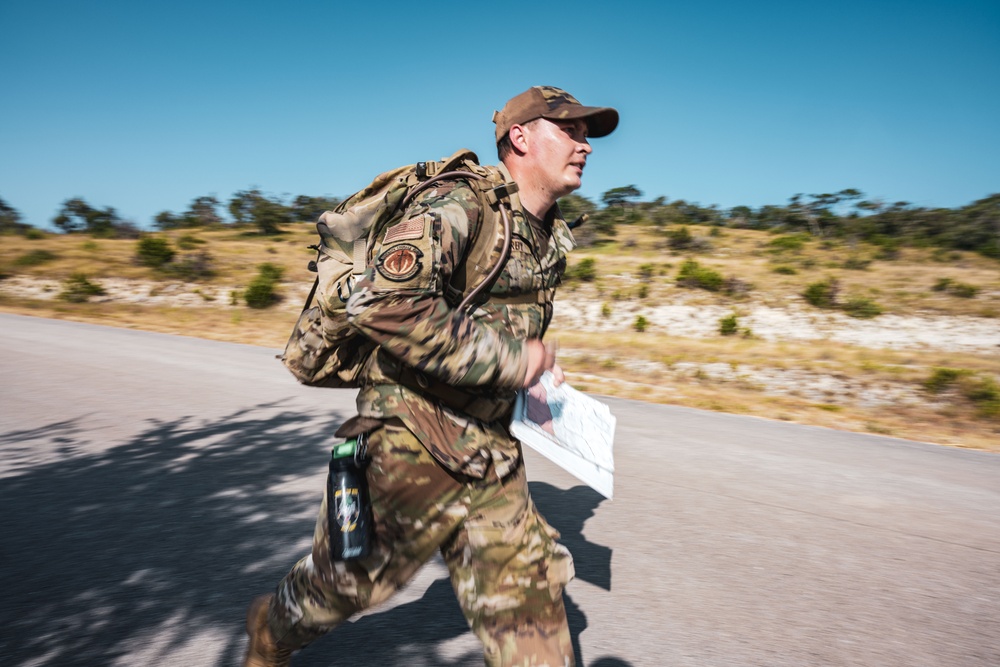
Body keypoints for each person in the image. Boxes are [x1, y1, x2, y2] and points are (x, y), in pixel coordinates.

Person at [244, 85, 619, 667]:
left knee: (535, 617)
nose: (585, 145)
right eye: (569, 130)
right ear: (519, 137)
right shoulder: (461, 204)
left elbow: (492, 320)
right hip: (407, 441)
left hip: (491, 455)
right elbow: (382, 304)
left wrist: (533, 369)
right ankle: (271, 630)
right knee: (345, 587)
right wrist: (513, 360)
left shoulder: (547, 232)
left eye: (587, 133)